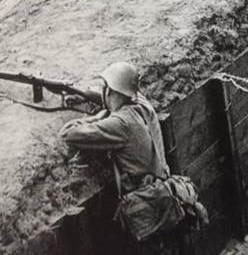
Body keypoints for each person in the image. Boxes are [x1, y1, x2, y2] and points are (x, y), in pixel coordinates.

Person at [59, 61, 169, 195]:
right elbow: (117, 98)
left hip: (143, 203)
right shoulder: (142, 104)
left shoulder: (121, 124)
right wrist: (84, 95)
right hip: (161, 189)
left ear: (109, 91)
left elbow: (67, 133)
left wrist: (96, 118)